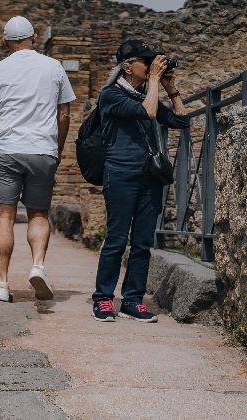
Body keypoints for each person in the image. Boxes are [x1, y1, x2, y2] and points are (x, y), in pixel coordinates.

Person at [0, 16, 75, 303]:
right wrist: (58, 146)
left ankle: (2, 283)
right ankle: (38, 266)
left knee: (4, 214)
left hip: (7, 149)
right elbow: (64, 114)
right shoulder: (54, 67)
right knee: (38, 213)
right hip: (43, 149)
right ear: (35, 37)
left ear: (5, 42)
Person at [92, 40, 189, 323]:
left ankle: (132, 300)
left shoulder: (149, 95)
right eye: (145, 62)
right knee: (116, 240)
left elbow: (182, 122)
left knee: (143, 242)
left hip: (150, 178)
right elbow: (147, 112)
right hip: (120, 174)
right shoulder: (111, 95)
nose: (150, 67)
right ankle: (103, 299)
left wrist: (171, 88)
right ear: (127, 66)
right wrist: (156, 81)